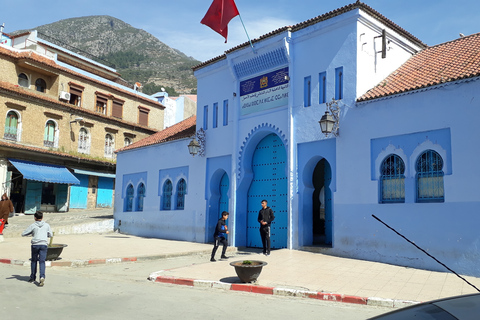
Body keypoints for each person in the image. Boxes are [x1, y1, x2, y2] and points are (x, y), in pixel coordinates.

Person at [22, 211, 53, 287]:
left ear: (35, 217)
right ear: (42, 217)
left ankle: (32, 277)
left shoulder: (33, 225)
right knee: (42, 262)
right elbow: (51, 234)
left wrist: (31, 233)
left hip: (35, 245)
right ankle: (42, 277)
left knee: (34, 261)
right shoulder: (46, 225)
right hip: (43, 245)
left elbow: (23, 233)